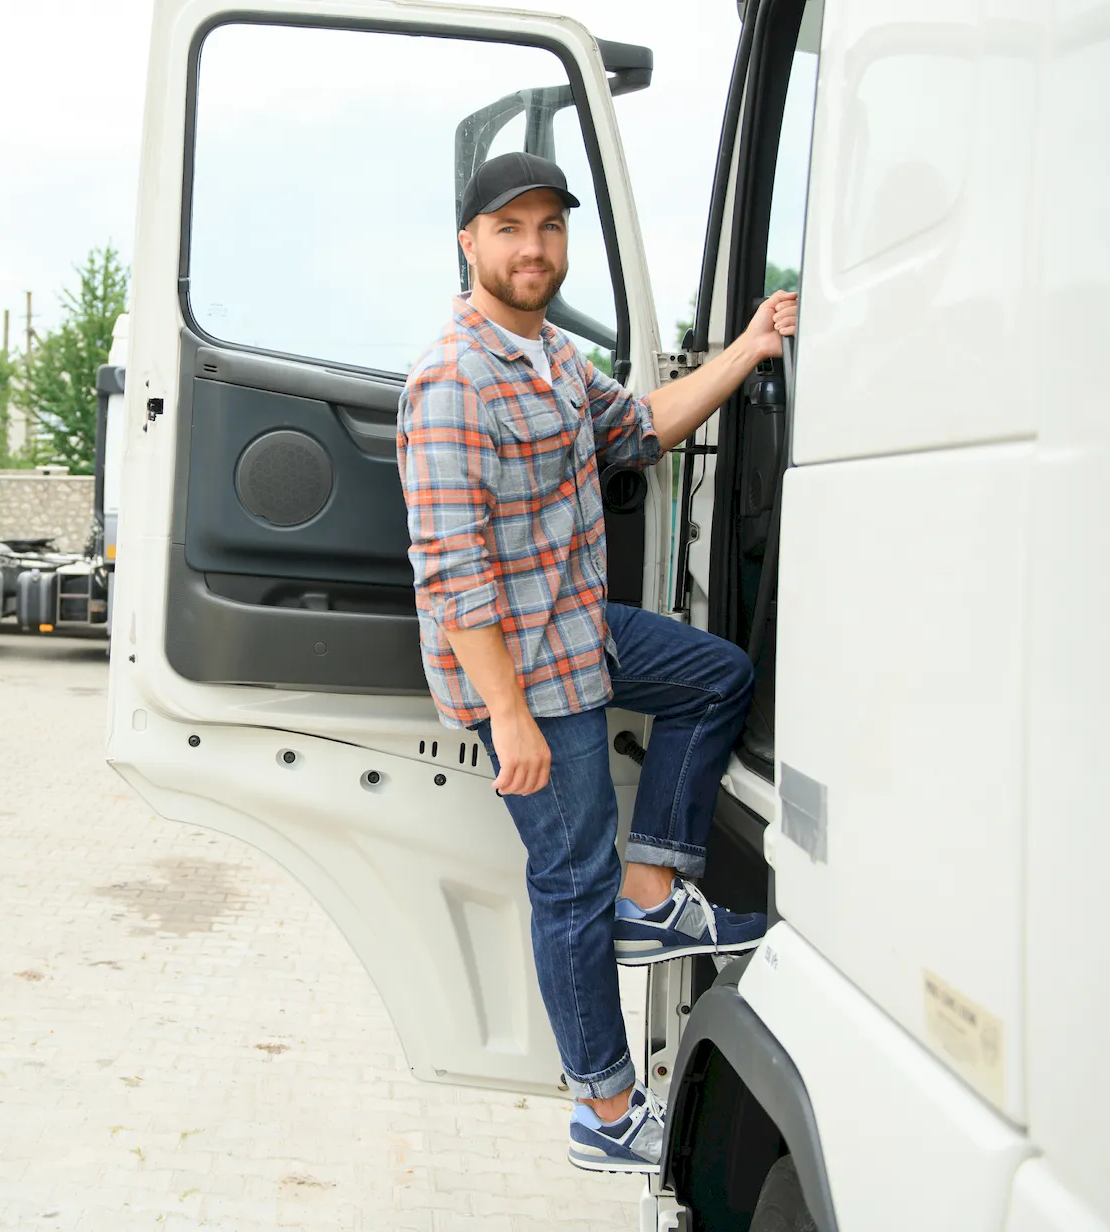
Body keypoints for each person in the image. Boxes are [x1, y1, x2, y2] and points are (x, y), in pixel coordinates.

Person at [396, 151, 799, 1174]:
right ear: (467, 241)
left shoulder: (556, 360)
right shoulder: (452, 380)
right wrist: (509, 714)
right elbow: (452, 571)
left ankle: (652, 887)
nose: (532, 248)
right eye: (508, 228)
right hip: (519, 669)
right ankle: (606, 1108)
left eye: (547, 227)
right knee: (568, 882)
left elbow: (646, 426)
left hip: (578, 628)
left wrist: (751, 346)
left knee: (717, 675)